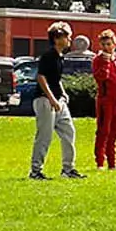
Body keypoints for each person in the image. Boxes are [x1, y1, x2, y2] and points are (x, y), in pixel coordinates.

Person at [30, 21, 84, 179]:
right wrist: (52, 99)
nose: (70, 40)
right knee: (45, 136)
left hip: (58, 101)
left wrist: (63, 93)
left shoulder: (60, 57)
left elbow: (56, 79)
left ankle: (68, 169)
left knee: (69, 132)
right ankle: (35, 171)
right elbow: (41, 77)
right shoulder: (48, 56)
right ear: (57, 38)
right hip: (44, 101)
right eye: (68, 37)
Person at [91, 30, 116, 171]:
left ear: (115, 44)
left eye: (109, 44)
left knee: (115, 131)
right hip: (105, 101)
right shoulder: (98, 60)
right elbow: (100, 77)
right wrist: (106, 62)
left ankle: (112, 164)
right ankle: (100, 162)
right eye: (103, 44)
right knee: (103, 131)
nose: (106, 47)